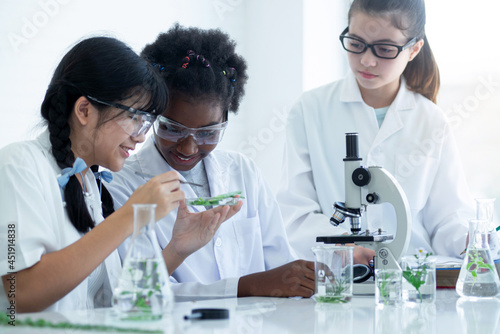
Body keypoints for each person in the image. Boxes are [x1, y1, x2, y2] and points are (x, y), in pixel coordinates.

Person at [0, 36, 236, 313]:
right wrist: (132, 214)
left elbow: (117, 304)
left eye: (147, 121)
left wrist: (177, 250)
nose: (141, 137)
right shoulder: (18, 165)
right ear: (85, 110)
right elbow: (19, 294)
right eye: (135, 117)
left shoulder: (90, 184)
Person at [107, 24, 316, 299]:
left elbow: (279, 268)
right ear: (152, 115)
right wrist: (246, 286)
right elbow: (135, 295)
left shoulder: (243, 172)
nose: (188, 146)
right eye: (173, 128)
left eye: (208, 133)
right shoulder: (121, 187)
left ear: (225, 119)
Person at [277, 0, 474, 262]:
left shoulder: (431, 121)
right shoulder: (309, 110)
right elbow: (295, 213)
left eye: (384, 49)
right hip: (340, 279)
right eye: (356, 44)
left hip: (412, 280)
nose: (367, 61)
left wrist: (472, 240)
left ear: (414, 49)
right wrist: (344, 249)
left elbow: (448, 220)